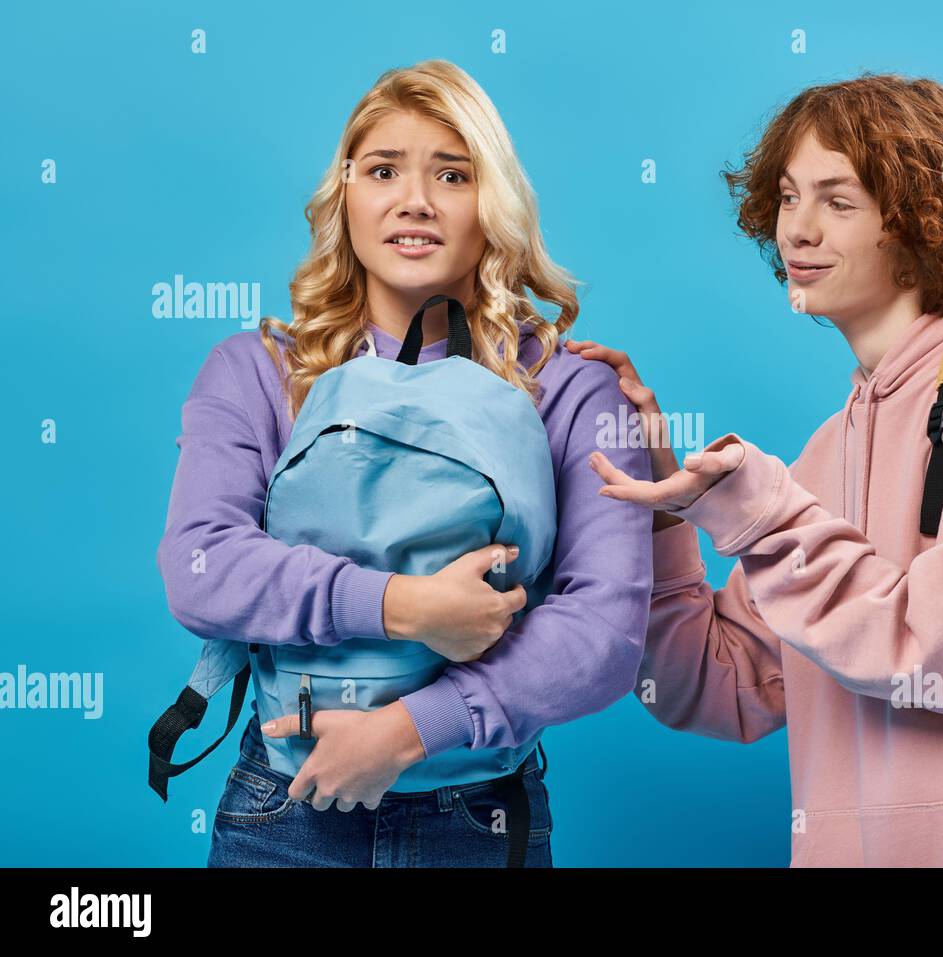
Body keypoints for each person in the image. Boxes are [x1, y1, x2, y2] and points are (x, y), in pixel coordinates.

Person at [569, 73, 943, 867]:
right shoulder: (830, 448)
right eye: (788, 198)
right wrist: (656, 509)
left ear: (922, 216)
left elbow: (938, 660)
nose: (798, 230)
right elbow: (714, 685)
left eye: (838, 200)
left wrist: (758, 508)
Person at [156, 59, 652, 867]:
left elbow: (603, 632)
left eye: (452, 174)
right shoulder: (257, 370)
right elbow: (200, 565)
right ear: (345, 197)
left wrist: (410, 731)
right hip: (286, 809)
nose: (414, 200)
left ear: (492, 204)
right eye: (383, 170)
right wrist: (404, 607)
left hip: (478, 816)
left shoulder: (569, 387)